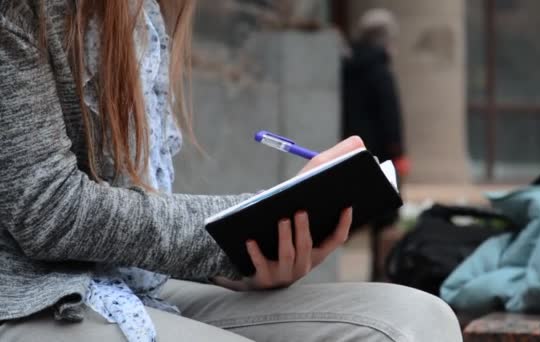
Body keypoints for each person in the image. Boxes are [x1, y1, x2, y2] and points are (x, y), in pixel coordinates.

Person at [0, 1, 462, 341]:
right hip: (26, 295)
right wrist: (230, 235)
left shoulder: (148, 19)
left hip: (131, 281)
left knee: (419, 322)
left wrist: (249, 254)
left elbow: (130, 211)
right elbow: (48, 209)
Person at [341, 8, 409, 281]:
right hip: (382, 155)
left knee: (355, 211)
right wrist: (399, 151)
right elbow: (390, 114)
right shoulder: (380, 70)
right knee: (384, 215)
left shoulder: (347, 69)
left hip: (351, 150)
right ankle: (380, 275)